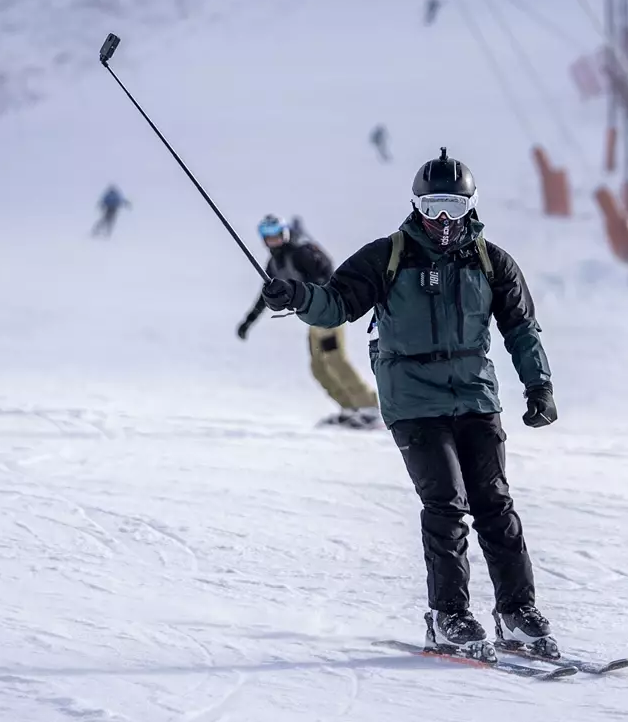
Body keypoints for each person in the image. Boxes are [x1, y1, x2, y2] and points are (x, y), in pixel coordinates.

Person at [257, 148, 559, 662]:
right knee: (445, 505)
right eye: (434, 206)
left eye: (455, 208)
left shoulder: (492, 261)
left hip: (474, 395)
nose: (444, 220)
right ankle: (449, 617)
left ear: (471, 207)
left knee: (495, 505)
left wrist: (539, 386)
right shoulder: (387, 256)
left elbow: (520, 328)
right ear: (417, 205)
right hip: (414, 401)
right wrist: (298, 296)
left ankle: (517, 613)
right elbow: (338, 302)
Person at [238, 214, 380, 427]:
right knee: (318, 367)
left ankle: (369, 408)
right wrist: (248, 321)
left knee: (335, 359)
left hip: (328, 317)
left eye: (276, 234)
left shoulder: (302, 252)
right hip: (313, 322)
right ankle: (350, 408)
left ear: (285, 233)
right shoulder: (274, 263)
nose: (273, 240)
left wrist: (308, 294)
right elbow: (265, 295)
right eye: (267, 236)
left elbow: (328, 274)